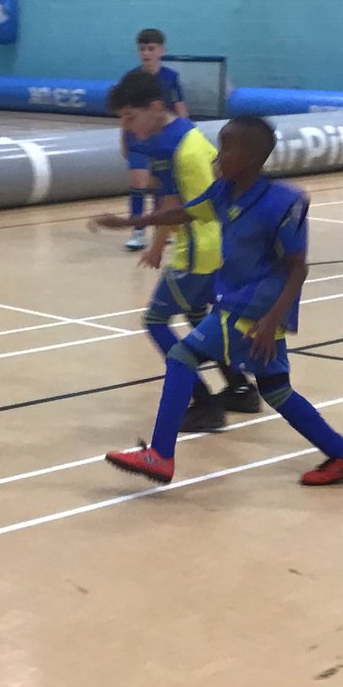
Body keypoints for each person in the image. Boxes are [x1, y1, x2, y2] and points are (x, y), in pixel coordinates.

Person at [97, 115, 343, 486]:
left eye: (227, 147)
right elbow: (184, 212)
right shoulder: (224, 191)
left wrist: (274, 319)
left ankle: (160, 455)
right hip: (246, 306)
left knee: (182, 356)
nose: (218, 155)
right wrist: (131, 223)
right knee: (276, 390)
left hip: (252, 308)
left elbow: (296, 269)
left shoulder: (281, 203)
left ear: (253, 155)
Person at [97, 71, 259, 432]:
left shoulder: (174, 148)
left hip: (198, 249)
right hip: (219, 243)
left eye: (129, 118)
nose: (126, 126)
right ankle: (240, 388)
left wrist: (151, 241)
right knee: (201, 318)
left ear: (155, 108)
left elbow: (175, 203)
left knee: (155, 322)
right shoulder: (182, 133)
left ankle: (202, 402)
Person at [120, 28, 188, 252]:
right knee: (138, 181)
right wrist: (124, 139)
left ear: (161, 50)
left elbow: (180, 110)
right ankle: (138, 230)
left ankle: (162, 225)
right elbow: (125, 113)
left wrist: (185, 135)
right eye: (142, 49)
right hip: (137, 137)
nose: (146, 53)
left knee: (162, 183)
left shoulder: (170, 78)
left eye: (151, 48)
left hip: (162, 139)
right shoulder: (131, 80)